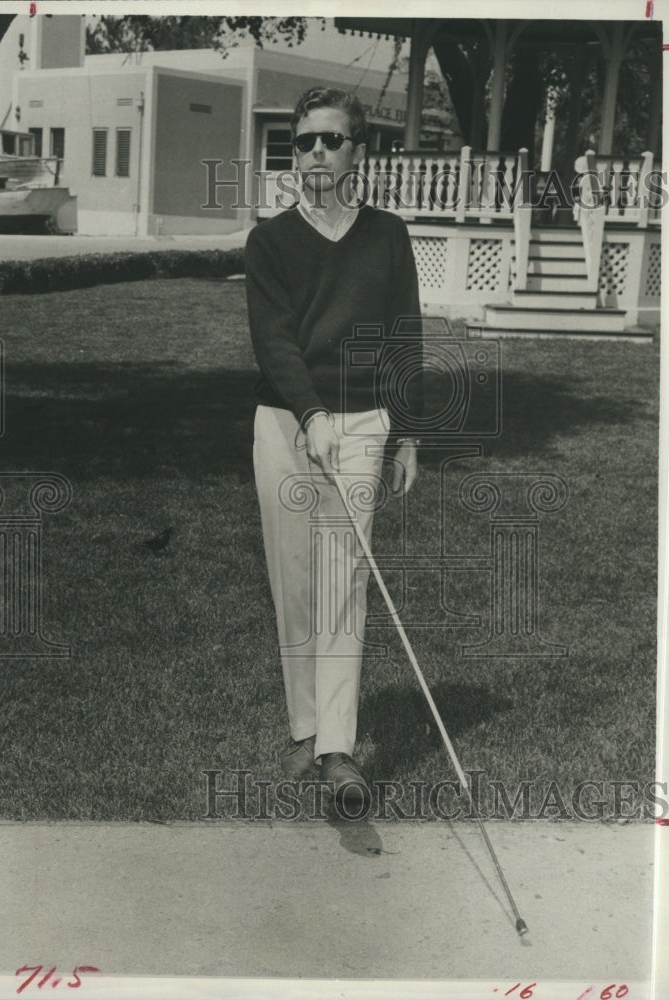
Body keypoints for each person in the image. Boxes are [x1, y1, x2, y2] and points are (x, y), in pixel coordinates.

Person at [245, 86, 423, 809]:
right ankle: (307, 726)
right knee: (294, 579)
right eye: (305, 141)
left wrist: (406, 432)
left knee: (342, 579)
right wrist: (310, 411)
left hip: (363, 424)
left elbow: (405, 337)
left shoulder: (387, 235)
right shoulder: (269, 242)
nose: (316, 152)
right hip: (284, 423)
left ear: (358, 151)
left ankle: (338, 751)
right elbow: (273, 341)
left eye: (331, 140)